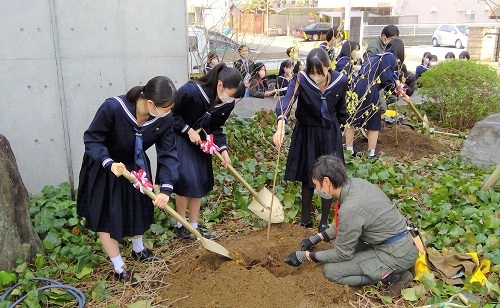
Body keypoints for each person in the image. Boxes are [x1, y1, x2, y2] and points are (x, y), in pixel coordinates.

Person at [77, 76, 179, 283]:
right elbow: (92, 138)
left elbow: (168, 152)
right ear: (151, 103)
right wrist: (108, 162)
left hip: (136, 166)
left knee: (138, 208)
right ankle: (119, 267)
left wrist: (166, 189)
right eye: (165, 108)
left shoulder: (164, 119)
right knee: (107, 216)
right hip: (106, 167)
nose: (168, 113)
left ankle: (138, 250)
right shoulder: (113, 108)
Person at [284, 155, 418, 296]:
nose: (316, 189)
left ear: (326, 181)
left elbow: (342, 253)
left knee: (331, 271)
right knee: (337, 246)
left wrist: (306, 256)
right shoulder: (356, 184)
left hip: (396, 253)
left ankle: (396, 276)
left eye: (316, 185)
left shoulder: (350, 208)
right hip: (397, 241)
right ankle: (383, 268)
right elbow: (347, 226)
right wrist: (316, 238)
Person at [273, 48, 348, 232]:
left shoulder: (340, 81)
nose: (315, 76)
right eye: (312, 72)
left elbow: (341, 108)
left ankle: (323, 222)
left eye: (319, 72)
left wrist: (341, 129)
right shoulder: (301, 79)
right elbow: (287, 100)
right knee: (308, 175)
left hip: (329, 133)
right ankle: (305, 218)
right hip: (306, 132)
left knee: (328, 176)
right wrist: (281, 123)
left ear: (328, 67)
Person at [173, 63, 245, 239]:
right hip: (180, 139)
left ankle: (194, 225)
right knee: (186, 181)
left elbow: (216, 128)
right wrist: (187, 130)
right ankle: (180, 224)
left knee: (200, 182)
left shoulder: (227, 104)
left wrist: (223, 149)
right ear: (220, 85)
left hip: (202, 142)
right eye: (232, 94)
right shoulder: (191, 91)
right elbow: (170, 114)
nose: (231, 99)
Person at [344, 38, 404, 158]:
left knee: (352, 119)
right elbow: (386, 79)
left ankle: (349, 150)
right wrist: (395, 89)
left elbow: (387, 76)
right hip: (369, 88)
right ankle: (371, 153)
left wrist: (395, 83)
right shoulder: (390, 57)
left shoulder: (378, 56)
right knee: (374, 121)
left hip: (357, 86)